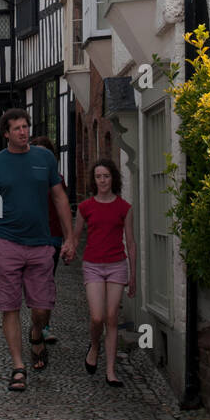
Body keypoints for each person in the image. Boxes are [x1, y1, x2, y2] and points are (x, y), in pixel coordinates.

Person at [0, 109, 75, 392]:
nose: (23, 131)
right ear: (6, 133)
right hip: (6, 244)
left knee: (42, 307)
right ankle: (18, 366)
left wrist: (69, 238)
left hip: (41, 244)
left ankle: (36, 331)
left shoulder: (45, 159)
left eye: (26, 126)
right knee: (9, 306)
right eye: (17, 128)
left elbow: (59, 198)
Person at [74, 159, 136, 388]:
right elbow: (76, 235)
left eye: (106, 176)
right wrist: (69, 249)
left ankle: (111, 370)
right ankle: (94, 345)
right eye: (99, 177)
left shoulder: (124, 208)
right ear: (94, 180)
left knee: (112, 317)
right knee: (97, 317)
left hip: (117, 265)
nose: (102, 180)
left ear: (113, 179)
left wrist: (133, 275)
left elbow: (131, 242)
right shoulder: (85, 207)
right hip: (92, 264)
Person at [29, 135, 65, 345]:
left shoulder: (58, 179)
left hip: (52, 237)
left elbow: (63, 212)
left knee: (47, 282)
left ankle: (45, 326)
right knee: (35, 284)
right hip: (30, 238)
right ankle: (38, 322)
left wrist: (69, 239)